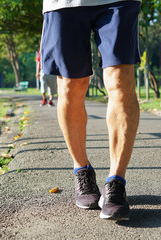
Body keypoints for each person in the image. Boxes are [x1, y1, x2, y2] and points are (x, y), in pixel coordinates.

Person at [40, 0, 141, 220]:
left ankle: (116, 181)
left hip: (118, 3)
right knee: (71, 84)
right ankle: (81, 169)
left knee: (120, 79)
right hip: (64, 4)